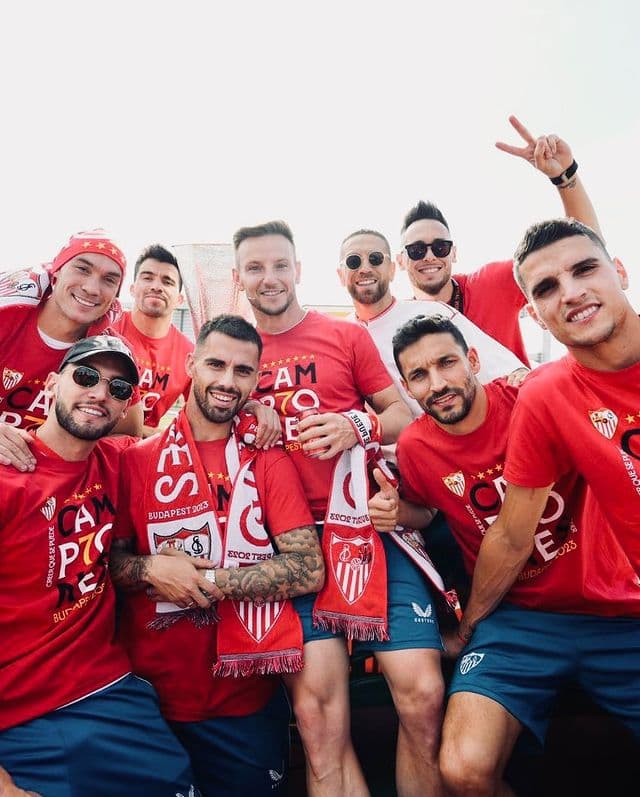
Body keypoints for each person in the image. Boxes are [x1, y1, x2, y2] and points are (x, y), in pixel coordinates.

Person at [383, 314, 640, 795]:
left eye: (447, 363)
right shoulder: (417, 447)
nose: (437, 383)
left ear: (474, 360)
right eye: (419, 375)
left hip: (615, 606)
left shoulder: (532, 396)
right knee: (462, 769)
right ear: (406, 387)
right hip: (515, 618)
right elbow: (426, 512)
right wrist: (395, 510)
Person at [233, 220, 446, 797]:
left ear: (299, 270)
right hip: (288, 546)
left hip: (367, 532)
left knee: (423, 694)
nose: (270, 277)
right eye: (255, 268)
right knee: (318, 724)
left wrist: (356, 424)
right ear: (237, 279)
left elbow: (405, 416)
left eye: (280, 265)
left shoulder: (346, 337)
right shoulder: (232, 355)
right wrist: (249, 415)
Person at [109, 314, 324, 797]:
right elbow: (111, 564)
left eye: (243, 371)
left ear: (256, 379)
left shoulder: (266, 459)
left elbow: (307, 568)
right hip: (149, 699)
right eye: (216, 364)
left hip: (243, 700)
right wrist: (149, 569)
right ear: (191, 363)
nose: (228, 381)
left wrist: (201, 581)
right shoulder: (135, 460)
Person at [0, 334, 199, 796]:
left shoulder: (120, 460)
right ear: (52, 384)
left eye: (118, 388)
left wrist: (266, 414)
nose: (99, 394)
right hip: (16, 717)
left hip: (108, 691)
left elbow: (208, 420)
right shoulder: (8, 481)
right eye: (86, 376)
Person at [397, 116, 603, 364]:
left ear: (454, 253)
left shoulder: (490, 283)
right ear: (400, 260)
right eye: (417, 250)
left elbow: (586, 247)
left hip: (521, 402)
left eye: (441, 247)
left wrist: (564, 176)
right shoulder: (398, 323)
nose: (430, 256)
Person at [338, 227, 527, 420]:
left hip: (460, 437)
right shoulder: (338, 336)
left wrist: (520, 375)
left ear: (392, 269)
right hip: (394, 448)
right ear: (341, 275)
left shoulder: (432, 313)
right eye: (354, 261)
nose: (365, 268)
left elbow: (504, 371)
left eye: (375, 258)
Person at [0, 230, 143, 471]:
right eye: (82, 269)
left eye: (109, 279)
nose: (92, 288)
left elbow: (128, 434)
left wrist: (58, 459)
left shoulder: (112, 353)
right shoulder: (6, 317)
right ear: (56, 273)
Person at [112, 244, 194, 437]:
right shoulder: (105, 329)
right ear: (132, 289)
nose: (156, 287)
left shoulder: (189, 354)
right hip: (92, 446)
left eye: (167, 281)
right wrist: (151, 433)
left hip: (142, 456)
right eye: (147, 278)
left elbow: (200, 419)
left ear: (179, 299)